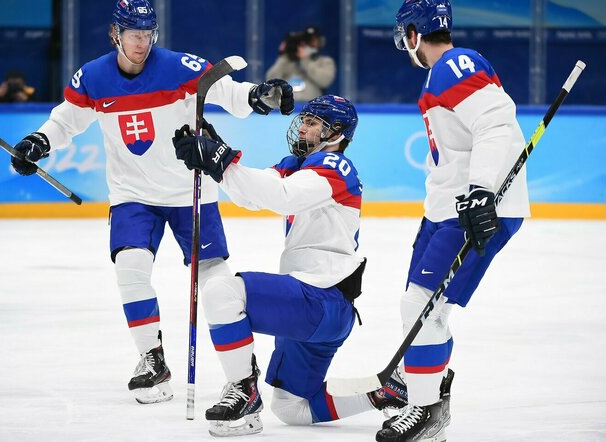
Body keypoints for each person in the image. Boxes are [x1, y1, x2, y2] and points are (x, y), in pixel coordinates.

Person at [9, 0, 294, 405]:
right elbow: (66, 120)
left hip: (189, 190)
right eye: (134, 35)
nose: (142, 43)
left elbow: (230, 93)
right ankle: (152, 359)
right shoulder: (92, 76)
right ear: (116, 34)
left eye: (148, 34)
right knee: (130, 264)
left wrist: (260, 95)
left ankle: (242, 372)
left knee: (215, 282)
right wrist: (39, 141)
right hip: (132, 194)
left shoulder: (179, 67)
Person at [173, 95, 410, 437]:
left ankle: (243, 388)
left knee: (222, 291)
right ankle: (382, 392)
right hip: (315, 308)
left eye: (313, 123)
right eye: (304, 120)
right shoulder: (294, 165)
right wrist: (215, 159)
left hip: (319, 297)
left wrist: (222, 161)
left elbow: (283, 196)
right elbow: (252, 197)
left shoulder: (336, 167)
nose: (302, 126)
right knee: (291, 408)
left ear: (337, 133)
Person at [376, 1, 530, 441]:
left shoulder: (454, 64)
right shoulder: (442, 71)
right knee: (424, 308)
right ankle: (429, 385)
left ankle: (426, 412)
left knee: (421, 308)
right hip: (450, 208)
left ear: (413, 35)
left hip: (473, 210)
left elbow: (497, 125)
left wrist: (481, 189)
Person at [266, 26, 336, 102]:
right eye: (305, 43)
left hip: (312, 108)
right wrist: (283, 56)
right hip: (286, 109)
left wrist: (305, 60)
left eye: (312, 42)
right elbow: (270, 82)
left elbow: (325, 81)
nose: (307, 46)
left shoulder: (325, 61)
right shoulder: (285, 62)